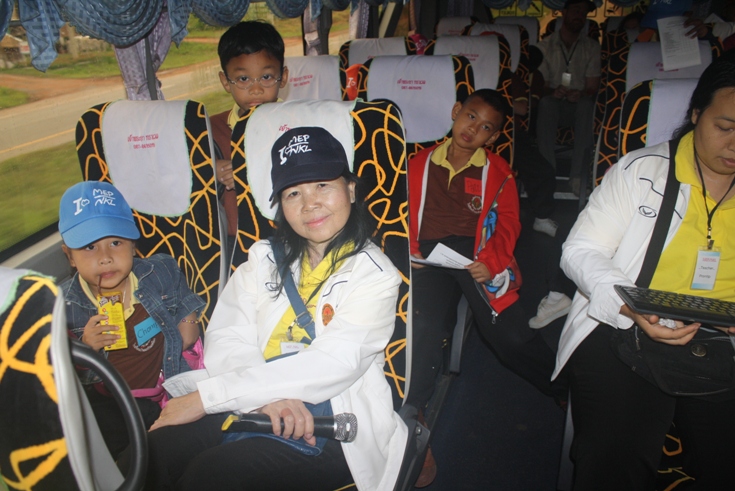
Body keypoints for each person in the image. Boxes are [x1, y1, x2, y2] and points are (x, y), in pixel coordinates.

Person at [118, 126, 407, 491]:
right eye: (293, 193)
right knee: (146, 459)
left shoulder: (375, 275)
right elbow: (227, 335)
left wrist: (209, 398)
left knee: (209, 477)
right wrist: (266, 399)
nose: (309, 204)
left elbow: (334, 363)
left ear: (350, 189)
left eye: (322, 185)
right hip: (250, 397)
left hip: (332, 414)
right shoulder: (262, 259)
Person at [554, 53, 735, 490]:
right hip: (629, 323)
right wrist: (630, 305)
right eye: (726, 127)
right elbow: (581, 250)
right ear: (696, 114)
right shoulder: (640, 171)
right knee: (618, 456)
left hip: (725, 335)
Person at [406, 90, 562, 485]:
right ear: (456, 112)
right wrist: (408, 251)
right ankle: (413, 416)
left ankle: (562, 384)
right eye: (470, 117)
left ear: (492, 137)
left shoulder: (499, 171)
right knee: (422, 326)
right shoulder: (416, 163)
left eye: (485, 127)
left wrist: (490, 262)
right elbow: (399, 213)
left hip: (476, 256)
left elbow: (508, 224)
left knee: (508, 334)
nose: (473, 129)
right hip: (428, 258)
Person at [59, 181, 205, 458]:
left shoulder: (158, 271)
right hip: (111, 402)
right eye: (89, 247)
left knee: (186, 447)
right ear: (70, 257)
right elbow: (61, 374)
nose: (105, 258)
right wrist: (85, 350)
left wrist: (188, 318)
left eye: (116, 243)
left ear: (133, 245)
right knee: (117, 453)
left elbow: (181, 291)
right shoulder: (64, 309)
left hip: (167, 385)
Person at [209, 21, 289, 261]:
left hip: (290, 234)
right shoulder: (210, 130)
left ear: (283, 77)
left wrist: (250, 173)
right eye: (243, 79)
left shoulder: (297, 122)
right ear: (226, 81)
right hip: (235, 241)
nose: (255, 89)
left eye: (266, 77)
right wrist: (211, 171)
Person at [536, 0, 601, 196]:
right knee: (546, 103)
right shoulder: (544, 46)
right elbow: (539, 86)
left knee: (586, 105)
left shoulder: (592, 47)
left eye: (583, 12)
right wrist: (552, 91)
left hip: (578, 104)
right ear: (564, 13)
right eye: (576, 10)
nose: (579, 15)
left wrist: (580, 93)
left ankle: (577, 177)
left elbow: (592, 87)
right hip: (554, 102)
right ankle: (547, 175)